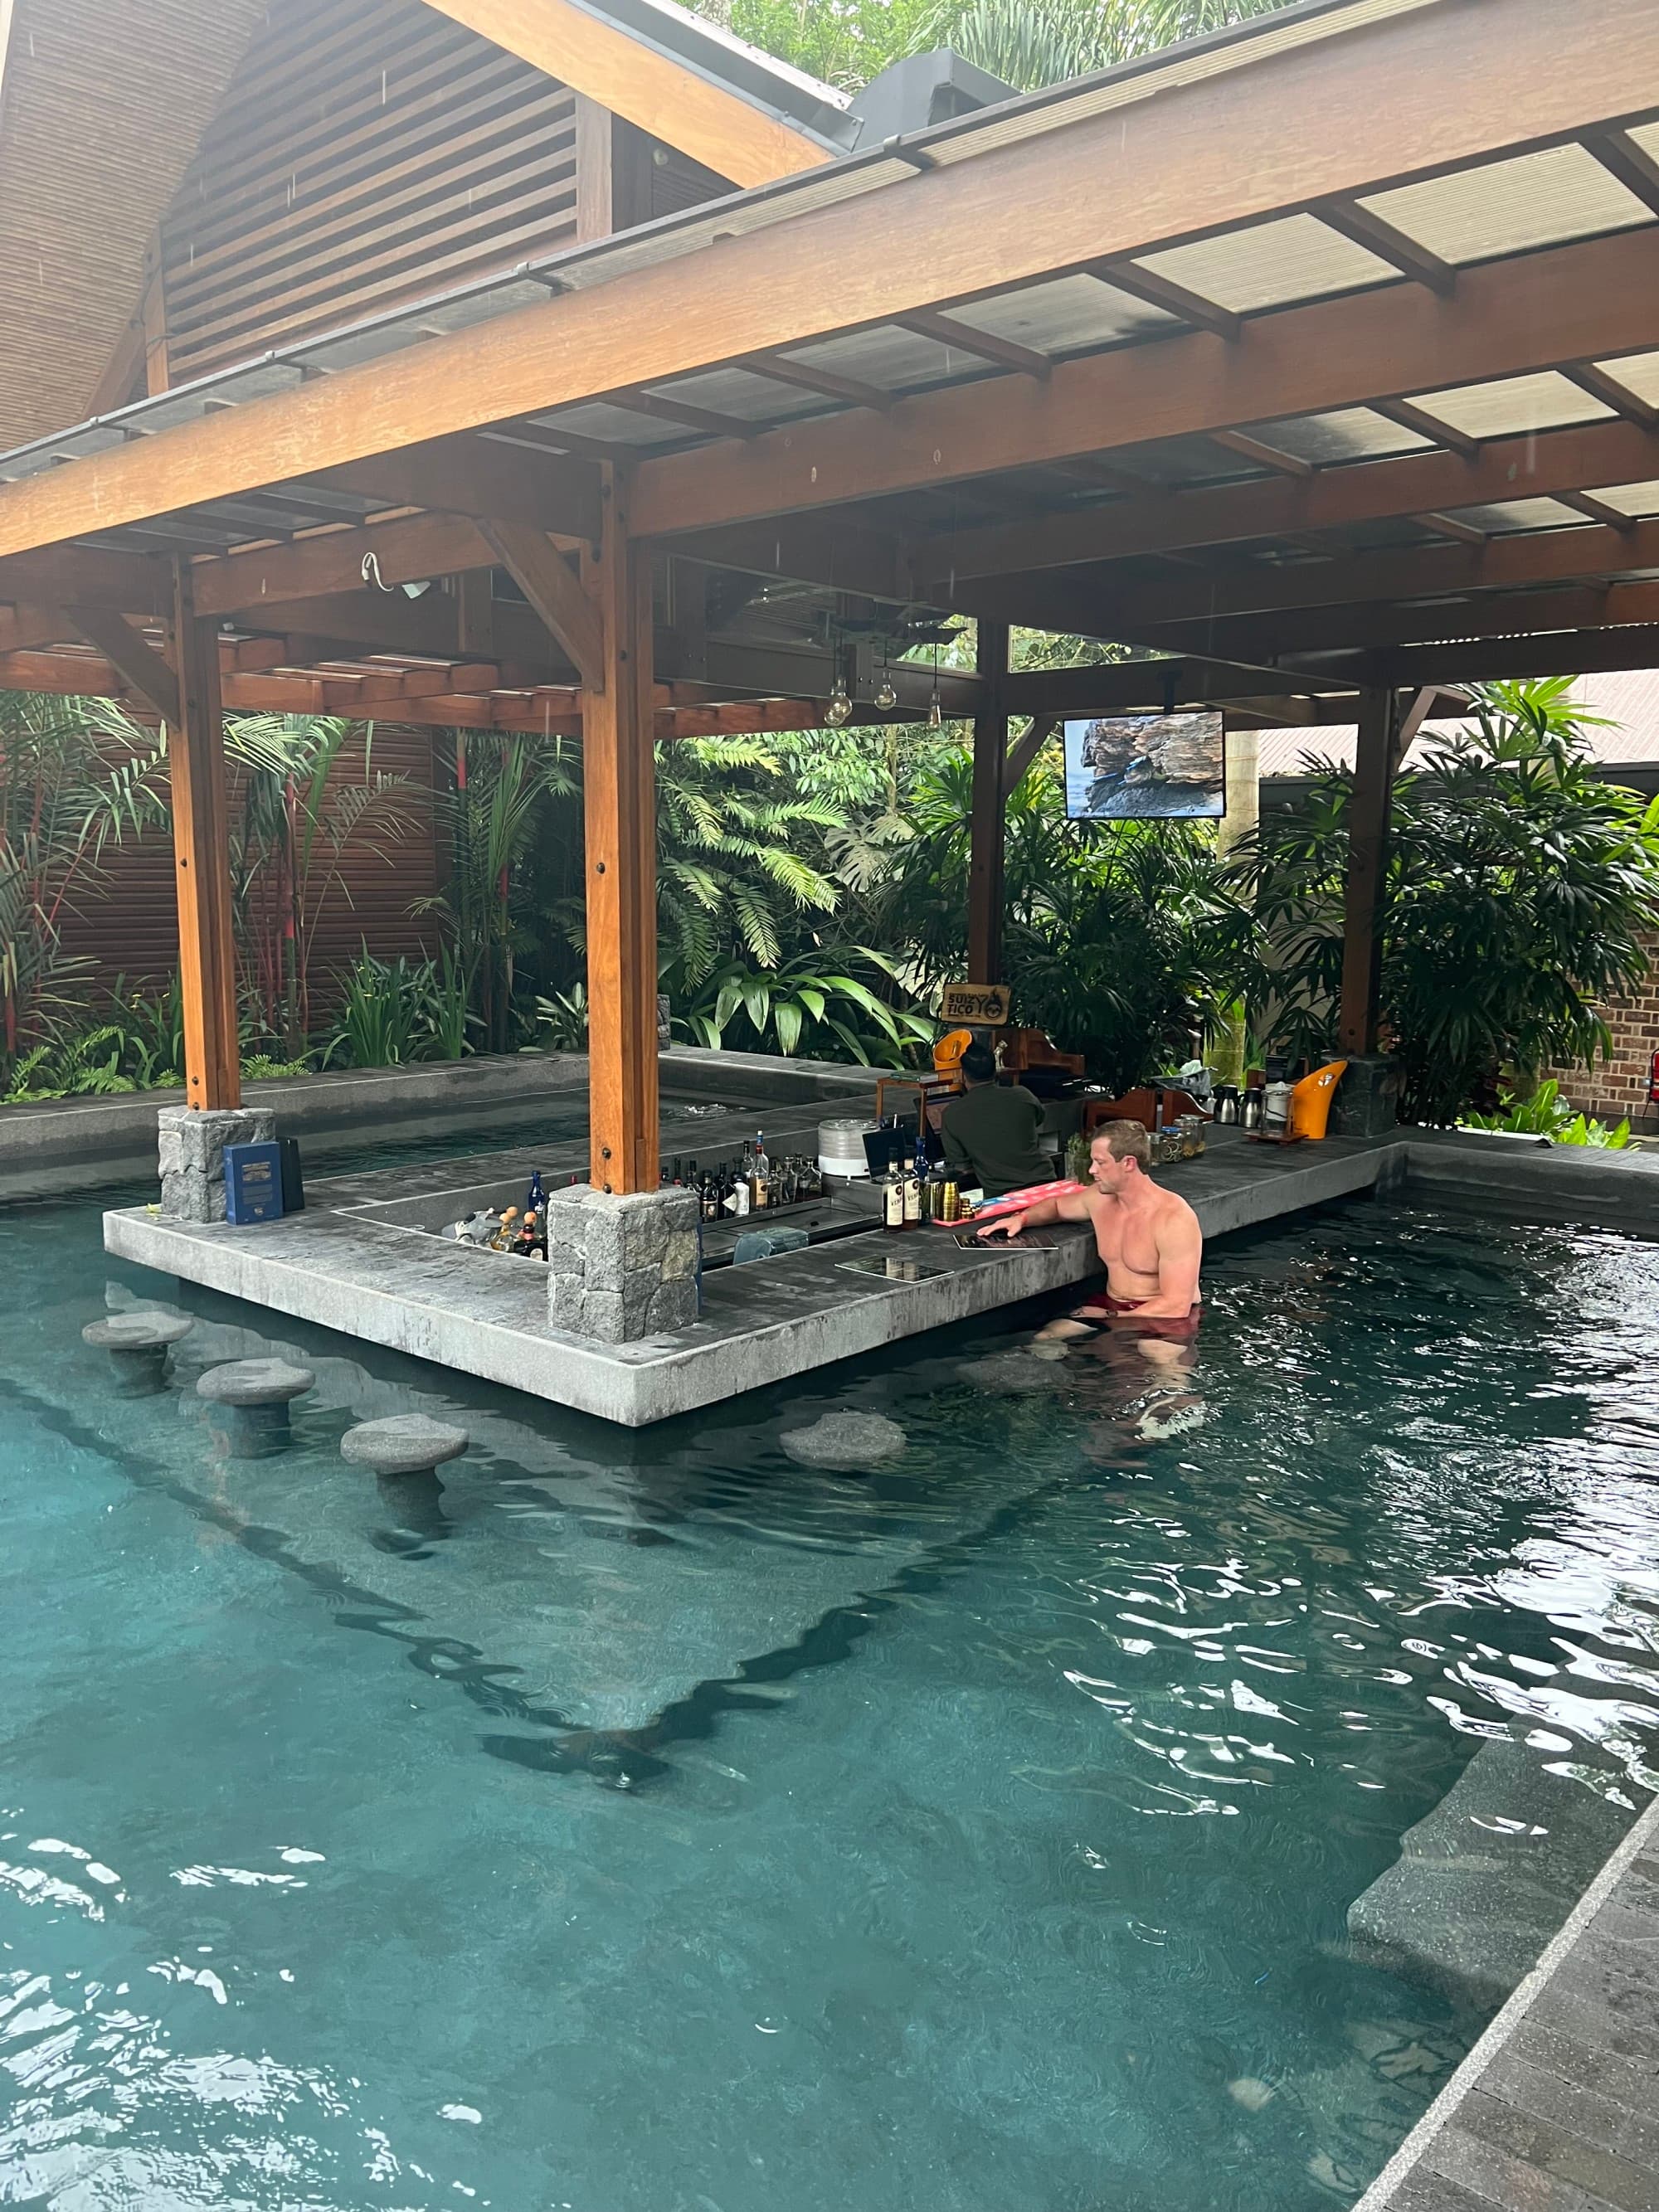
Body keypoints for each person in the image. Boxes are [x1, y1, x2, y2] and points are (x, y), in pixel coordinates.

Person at [977, 1119, 1202, 1338]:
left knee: (1160, 1363)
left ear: (1128, 1163)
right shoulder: (1099, 1198)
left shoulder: (1174, 1219)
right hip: (1113, 1305)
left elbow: (1176, 1306)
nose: (1093, 1170)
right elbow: (1056, 1206)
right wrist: (1022, 1218)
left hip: (1165, 1317)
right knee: (1046, 1339)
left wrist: (1109, 1316)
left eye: (1101, 1162)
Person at [939, 1041, 1055, 1198]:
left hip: (1003, 1195)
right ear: (996, 1071)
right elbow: (1038, 1118)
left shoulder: (951, 1114)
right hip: (1045, 1183)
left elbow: (962, 1168)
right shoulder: (1023, 1095)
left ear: (963, 1075)